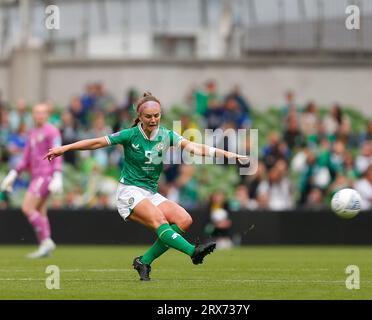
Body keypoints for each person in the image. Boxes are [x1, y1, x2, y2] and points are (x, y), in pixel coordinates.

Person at [44, 91, 248, 281]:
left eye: (156, 115)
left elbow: (195, 147)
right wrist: (65, 148)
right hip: (129, 191)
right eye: (149, 116)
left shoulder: (166, 135)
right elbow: (97, 142)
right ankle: (192, 252)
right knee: (160, 221)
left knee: (184, 220)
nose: (153, 120)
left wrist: (228, 154)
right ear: (140, 117)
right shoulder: (130, 135)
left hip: (150, 193)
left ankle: (144, 261)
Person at [1, 103, 63, 258]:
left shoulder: (52, 131)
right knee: (40, 210)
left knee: (27, 207)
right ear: (33, 115)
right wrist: (13, 174)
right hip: (36, 175)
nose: (40, 115)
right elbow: (25, 159)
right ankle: (45, 245)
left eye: (43, 112)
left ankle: (46, 242)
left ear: (47, 115)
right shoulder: (32, 133)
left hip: (45, 174)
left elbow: (57, 153)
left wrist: (57, 174)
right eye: (37, 112)